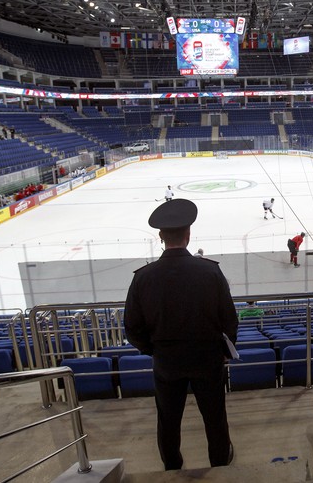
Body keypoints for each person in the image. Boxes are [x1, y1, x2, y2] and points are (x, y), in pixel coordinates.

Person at [123, 198, 238, 471]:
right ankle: (220, 460)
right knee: (214, 416)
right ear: (188, 235)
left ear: (161, 237)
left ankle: (172, 463)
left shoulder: (143, 277)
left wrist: (156, 350)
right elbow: (229, 320)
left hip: (167, 362)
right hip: (207, 359)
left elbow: (132, 327)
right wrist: (223, 351)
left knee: (168, 419)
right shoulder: (211, 271)